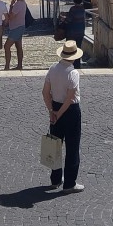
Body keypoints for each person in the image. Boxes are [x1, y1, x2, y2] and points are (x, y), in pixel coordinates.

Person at [42, 39, 84, 193]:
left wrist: (52, 111)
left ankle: (55, 180)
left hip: (55, 107)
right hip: (71, 111)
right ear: (74, 56)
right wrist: (59, 113)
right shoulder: (73, 73)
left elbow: (45, 92)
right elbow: (71, 98)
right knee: (72, 147)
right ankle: (70, 183)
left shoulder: (53, 68)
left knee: (54, 145)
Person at [2, 0, 28, 71]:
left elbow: (11, 16)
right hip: (20, 26)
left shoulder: (18, 4)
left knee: (7, 46)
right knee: (18, 47)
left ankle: (7, 66)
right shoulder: (23, 3)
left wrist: (11, 6)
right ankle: (19, 65)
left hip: (16, 27)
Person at [64, 0, 88, 67]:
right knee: (78, 48)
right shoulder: (82, 9)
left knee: (70, 49)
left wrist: (63, 19)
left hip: (72, 33)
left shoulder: (73, 9)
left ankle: (69, 64)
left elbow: (69, 20)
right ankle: (77, 64)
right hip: (80, 32)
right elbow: (83, 20)